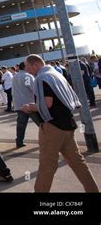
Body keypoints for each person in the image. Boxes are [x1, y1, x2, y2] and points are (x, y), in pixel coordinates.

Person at [21, 54, 99, 193]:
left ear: (35, 65)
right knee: (77, 162)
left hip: (53, 126)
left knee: (47, 165)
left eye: (28, 67)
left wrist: (30, 107)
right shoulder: (56, 74)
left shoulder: (42, 78)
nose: (28, 71)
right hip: (67, 123)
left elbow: (47, 103)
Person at [12, 61, 35, 148]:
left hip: (19, 104)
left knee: (21, 125)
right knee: (41, 123)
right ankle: (48, 139)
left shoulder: (15, 76)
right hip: (29, 104)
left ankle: (19, 141)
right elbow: (33, 89)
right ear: (25, 67)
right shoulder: (27, 76)